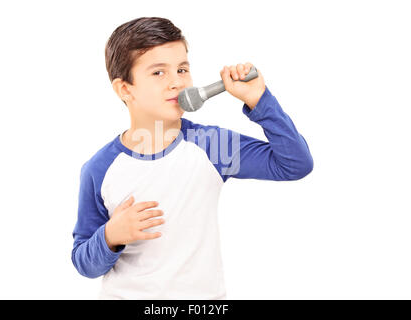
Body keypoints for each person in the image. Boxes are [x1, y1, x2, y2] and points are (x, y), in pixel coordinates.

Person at [71, 16, 314, 299]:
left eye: (182, 69)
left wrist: (259, 99)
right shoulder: (100, 168)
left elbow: (295, 164)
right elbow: (83, 262)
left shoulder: (212, 146)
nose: (176, 82)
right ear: (125, 89)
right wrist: (110, 236)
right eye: (158, 73)